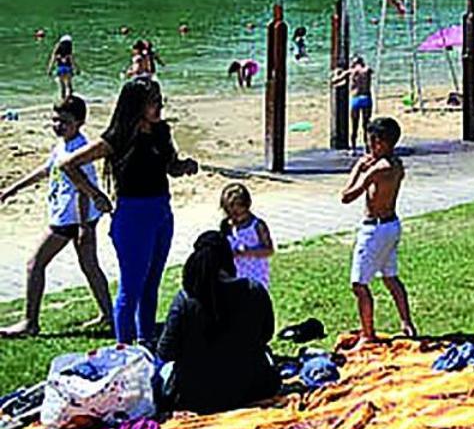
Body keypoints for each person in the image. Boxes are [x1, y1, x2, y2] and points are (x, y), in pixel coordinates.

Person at [57, 78, 198, 344]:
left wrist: (185, 166)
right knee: (131, 287)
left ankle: (145, 342)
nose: (159, 106)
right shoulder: (119, 136)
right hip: (132, 218)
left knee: (152, 284)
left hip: (162, 213)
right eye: (154, 102)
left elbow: (171, 167)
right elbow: (69, 165)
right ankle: (124, 349)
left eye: (160, 100)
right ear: (137, 104)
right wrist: (96, 195)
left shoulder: (161, 131)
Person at [0, 95, 114, 337]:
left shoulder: (79, 149)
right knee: (90, 266)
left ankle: (30, 322)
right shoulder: (63, 144)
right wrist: (12, 189)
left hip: (73, 219)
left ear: (80, 122)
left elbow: (85, 191)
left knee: (35, 263)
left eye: (64, 121)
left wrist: (84, 228)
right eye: (55, 120)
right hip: (73, 216)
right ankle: (109, 315)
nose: (58, 125)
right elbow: (45, 169)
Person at [155, 231, 280, 414]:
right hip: (252, 388)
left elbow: (166, 353)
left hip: (195, 397)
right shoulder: (254, 290)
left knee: (161, 373)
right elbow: (266, 335)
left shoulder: (185, 300)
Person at [341, 116, 417, 348]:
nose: (369, 147)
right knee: (391, 277)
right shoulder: (396, 164)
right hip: (391, 225)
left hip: (374, 230)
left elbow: (346, 196)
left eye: (371, 142)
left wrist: (358, 169)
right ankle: (407, 323)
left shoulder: (378, 169)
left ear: (380, 143)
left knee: (359, 284)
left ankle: (367, 335)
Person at [219, 182, 274, 289]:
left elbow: (269, 250)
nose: (235, 216)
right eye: (230, 212)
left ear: (247, 206)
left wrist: (247, 252)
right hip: (234, 275)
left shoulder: (257, 225)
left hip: (255, 275)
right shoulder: (226, 225)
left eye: (239, 212)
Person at [331, 55, 374, 146]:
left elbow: (335, 81)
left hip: (356, 99)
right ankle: (367, 146)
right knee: (366, 124)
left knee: (354, 125)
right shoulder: (367, 70)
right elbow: (370, 71)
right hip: (366, 98)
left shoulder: (351, 72)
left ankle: (353, 146)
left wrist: (336, 73)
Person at [46, 34, 77, 101]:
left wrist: (49, 69)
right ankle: (70, 99)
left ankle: (63, 100)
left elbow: (52, 60)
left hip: (60, 69)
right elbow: (72, 60)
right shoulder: (69, 51)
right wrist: (76, 68)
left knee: (62, 86)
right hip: (68, 68)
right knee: (69, 85)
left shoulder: (57, 51)